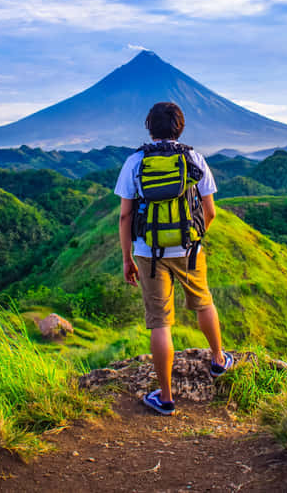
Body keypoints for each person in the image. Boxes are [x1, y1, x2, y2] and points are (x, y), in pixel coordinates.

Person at [114, 101, 233, 415]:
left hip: (148, 252)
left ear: (149, 127)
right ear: (180, 127)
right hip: (189, 249)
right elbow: (210, 211)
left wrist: (127, 258)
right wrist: (193, 238)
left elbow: (126, 216)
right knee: (203, 301)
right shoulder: (193, 158)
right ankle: (219, 360)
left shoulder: (135, 161)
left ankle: (166, 398)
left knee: (160, 322)